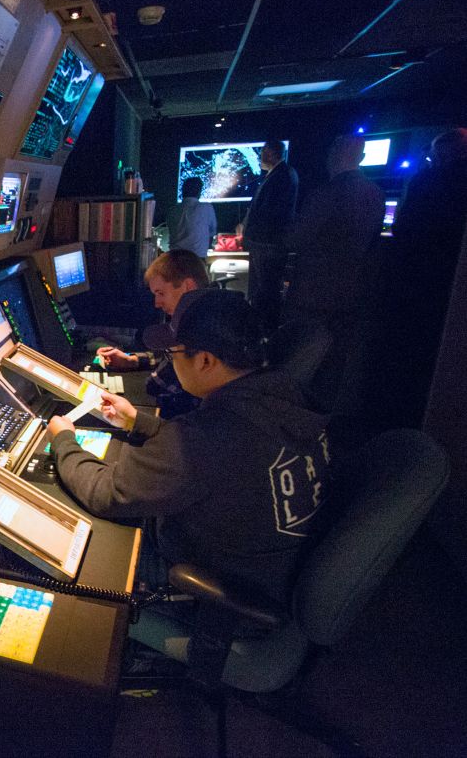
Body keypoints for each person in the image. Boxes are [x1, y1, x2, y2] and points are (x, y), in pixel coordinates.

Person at [49, 289, 330, 602]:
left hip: (215, 586)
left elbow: (105, 493)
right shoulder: (286, 395)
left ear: (206, 360)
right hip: (271, 569)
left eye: (174, 354)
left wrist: (64, 441)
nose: (171, 362)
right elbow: (221, 455)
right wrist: (138, 421)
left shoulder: (204, 439)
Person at [368, 127, 467, 428]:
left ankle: (388, 422)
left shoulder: (428, 183)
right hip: (443, 294)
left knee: (403, 358)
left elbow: (404, 231)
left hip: (414, 286)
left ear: (441, 154)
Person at [283, 134, 384, 412]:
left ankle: (291, 421)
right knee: (334, 367)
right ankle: (326, 423)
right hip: (351, 295)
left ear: (334, 155)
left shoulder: (327, 192)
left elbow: (296, 237)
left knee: (299, 361)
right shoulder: (375, 194)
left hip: (312, 294)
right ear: (361, 158)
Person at [96, 250, 208, 418]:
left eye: (161, 293)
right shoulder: (204, 314)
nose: (156, 303)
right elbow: (169, 354)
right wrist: (133, 360)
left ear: (188, 287)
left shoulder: (199, 329)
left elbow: (156, 384)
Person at [243, 139, 299, 331]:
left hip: (268, 244)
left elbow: (271, 212)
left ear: (273, 153)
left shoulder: (283, 175)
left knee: (267, 291)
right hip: (264, 244)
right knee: (264, 290)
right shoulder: (278, 175)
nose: (260, 157)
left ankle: (266, 331)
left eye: (263, 153)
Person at [166, 176, 217, 257]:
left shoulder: (173, 210)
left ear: (182, 191)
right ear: (199, 192)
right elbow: (212, 232)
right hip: (197, 259)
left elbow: (170, 230)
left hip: (175, 258)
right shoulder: (207, 208)